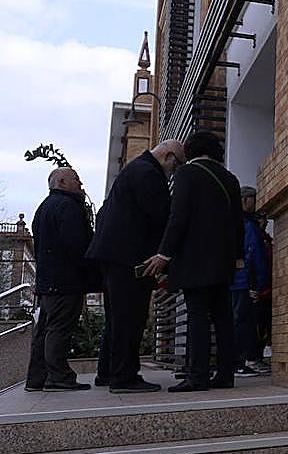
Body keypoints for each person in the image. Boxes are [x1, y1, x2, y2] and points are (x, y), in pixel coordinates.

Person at [144, 131, 244, 393]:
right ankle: (225, 374)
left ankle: (197, 376)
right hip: (223, 260)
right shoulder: (230, 179)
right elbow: (237, 222)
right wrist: (238, 257)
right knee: (223, 317)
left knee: (197, 315)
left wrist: (164, 253)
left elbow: (179, 216)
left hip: (194, 260)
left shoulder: (187, 173)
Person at [87, 140, 184, 393]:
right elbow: (163, 213)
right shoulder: (148, 173)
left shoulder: (133, 170)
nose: (175, 172)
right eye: (177, 165)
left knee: (117, 318)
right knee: (130, 317)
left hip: (114, 257)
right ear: (168, 156)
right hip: (128, 258)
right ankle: (124, 378)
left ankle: (108, 372)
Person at [25, 167, 98, 392]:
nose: (81, 183)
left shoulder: (44, 208)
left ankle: (37, 378)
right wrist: (91, 271)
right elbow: (77, 245)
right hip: (65, 281)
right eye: (76, 178)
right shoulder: (67, 207)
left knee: (45, 330)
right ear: (63, 182)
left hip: (48, 281)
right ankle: (58, 376)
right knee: (59, 329)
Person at [231, 186, 270, 375]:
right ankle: (240, 362)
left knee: (241, 321)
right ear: (246, 200)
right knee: (243, 322)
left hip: (238, 282)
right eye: (254, 200)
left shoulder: (235, 222)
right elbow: (253, 256)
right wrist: (257, 285)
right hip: (244, 283)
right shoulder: (247, 226)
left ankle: (240, 361)